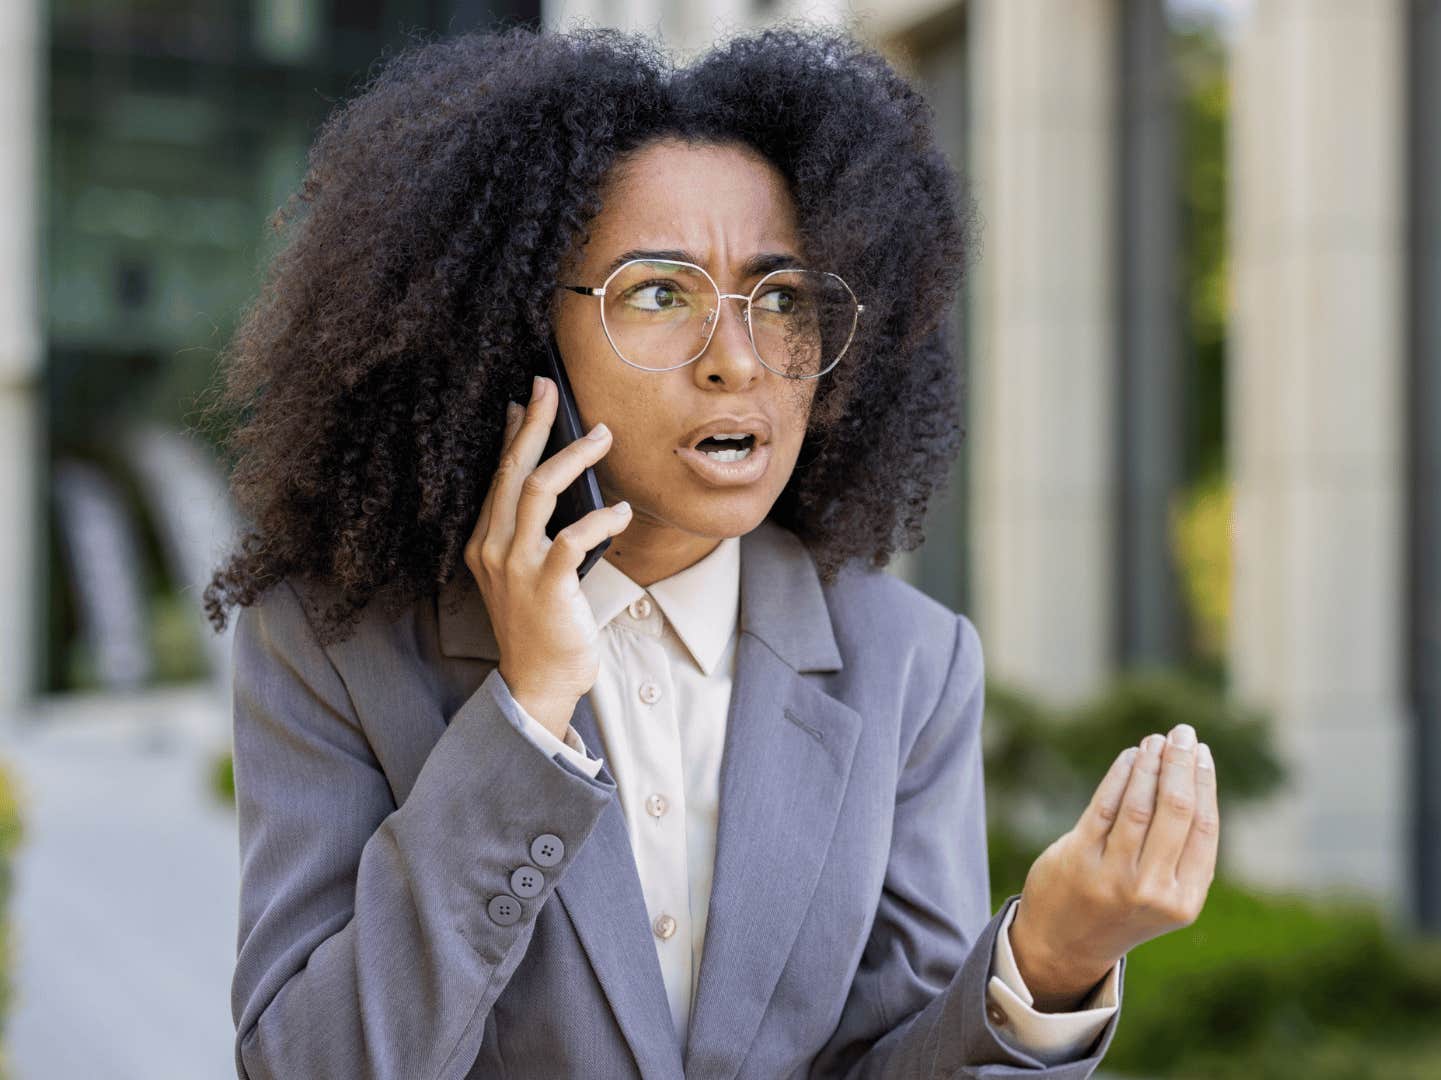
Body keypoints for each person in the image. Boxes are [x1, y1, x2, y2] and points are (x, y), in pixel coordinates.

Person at [204, 22, 1218, 1080]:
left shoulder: (909, 663)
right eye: (659, 293)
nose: (737, 360)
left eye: (781, 300)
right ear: (516, 331)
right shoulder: (328, 644)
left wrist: (1051, 958)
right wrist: (526, 718)